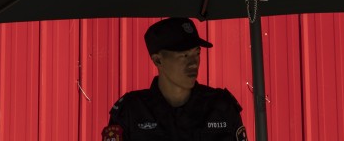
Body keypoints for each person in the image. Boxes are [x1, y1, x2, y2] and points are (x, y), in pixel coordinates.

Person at [102, 17, 247, 140]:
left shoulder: (221, 106)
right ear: (158, 60)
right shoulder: (130, 111)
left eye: (196, 53)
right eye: (183, 55)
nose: (193, 63)